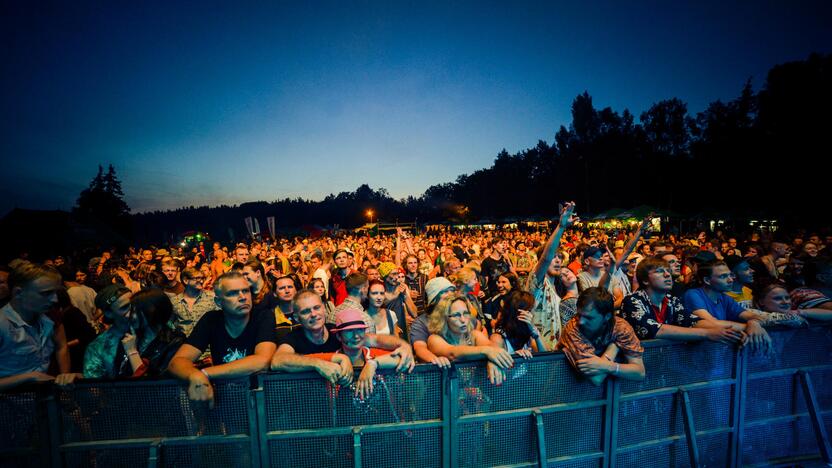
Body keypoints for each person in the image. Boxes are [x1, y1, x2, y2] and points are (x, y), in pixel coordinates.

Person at [168, 271, 277, 408]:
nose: (243, 297)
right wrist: (193, 375)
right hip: (226, 403)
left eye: (246, 291)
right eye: (232, 293)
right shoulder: (211, 320)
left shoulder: (263, 316)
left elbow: (262, 360)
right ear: (218, 302)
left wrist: (203, 374)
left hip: (261, 402)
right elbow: (176, 362)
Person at [271, 290, 414, 382]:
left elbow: (375, 339)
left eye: (317, 308)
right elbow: (277, 361)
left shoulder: (336, 332)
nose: (314, 314)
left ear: (324, 309)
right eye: (306, 311)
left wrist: (404, 346)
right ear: (296, 317)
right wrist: (318, 364)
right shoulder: (292, 338)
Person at [620, 257, 747, 344]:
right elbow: (655, 329)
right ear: (645, 280)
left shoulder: (672, 301)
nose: (667, 275)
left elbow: (694, 321)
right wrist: (707, 334)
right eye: (659, 272)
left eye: (668, 271)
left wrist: (747, 326)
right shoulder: (632, 301)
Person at [683, 261, 784, 354]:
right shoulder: (693, 294)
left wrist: (754, 322)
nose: (730, 280)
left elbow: (752, 316)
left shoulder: (725, 298)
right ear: (707, 280)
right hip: (695, 355)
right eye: (723, 276)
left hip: (714, 354)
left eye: (730, 275)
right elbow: (711, 323)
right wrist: (748, 327)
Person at [306, 308, 404, 399]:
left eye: (360, 330)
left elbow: (401, 358)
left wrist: (373, 363)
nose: (356, 335)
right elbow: (307, 359)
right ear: (339, 336)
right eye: (349, 331)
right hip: (342, 416)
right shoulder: (331, 359)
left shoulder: (373, 354)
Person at [556, 287, 645, 386]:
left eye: (589, 318)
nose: (581, 321)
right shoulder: (573, 329)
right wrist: (614, 347)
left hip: (606, 395)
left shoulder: (621, 327)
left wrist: (608, 366)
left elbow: (640, 372)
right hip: (565, 386)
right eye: (579, 315)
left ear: (607, 316)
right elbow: (597, 378)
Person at [427, 292, 515, 385]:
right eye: (456, 315)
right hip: (446, 396)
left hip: (474, 395)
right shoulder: (434, 339)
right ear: (444, 318)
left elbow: (492, 347)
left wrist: (492, 359)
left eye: (465, 313)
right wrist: (488, 352)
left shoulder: (474, 335)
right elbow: (452, 353)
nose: (463, 320)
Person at [0, 263, 63, 390]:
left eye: (56, 292)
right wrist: (30, 377)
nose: (55, 299)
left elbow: (61, 347)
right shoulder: (2, 325)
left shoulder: (46, 322)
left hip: (39, 404)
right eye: (46, 293)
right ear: (18, 293)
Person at [527, 201, 578, 349]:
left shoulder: (557, 288)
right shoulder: (537, 283)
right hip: (538, 351)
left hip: (554, 349)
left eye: (560, 257)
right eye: (554, 257)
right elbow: (545, 258)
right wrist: (561, 227)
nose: (557, 260)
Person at [81, 284, 152, 379]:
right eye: (125, 307)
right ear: (108, 313)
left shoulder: (152, 329)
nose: (134, 309)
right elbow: (95, 387)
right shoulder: (98, 347)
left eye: (135, 303)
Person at [119, 288, 186, 378]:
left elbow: (152, 384)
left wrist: (132, 352)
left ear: (151, 312)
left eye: (134, 311)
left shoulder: (175, 342)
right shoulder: (131, 337)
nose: (128, 315)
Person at [409, 277, 457, 367]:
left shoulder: (458, 315)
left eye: (452, 291)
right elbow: (419, 348)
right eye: (445, 292)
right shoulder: (421, 322)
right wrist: (436, 360)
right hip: (436, 371)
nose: (450, 294)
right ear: (433, 298)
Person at [490, 290, 546, 357]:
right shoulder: (497, 338)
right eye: (531, 311)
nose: (533, 315)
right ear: (521, 314)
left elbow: (546, 357)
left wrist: (535, 332)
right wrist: (514, 357)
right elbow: (494, 366)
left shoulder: (528, 336)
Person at [171, 267, 216, 337]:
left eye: (202, 278)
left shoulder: (212, 297)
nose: (201, 281)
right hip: (183, 345)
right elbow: (170, 324)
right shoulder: (175, 301)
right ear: (185, 280)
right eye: (197, 278)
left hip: (207, 345)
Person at [754, 283, 832, 322]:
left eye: (787, 298)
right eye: (777, 298)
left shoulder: (793, 315)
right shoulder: (756, 315)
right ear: (761, 302)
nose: (785, 302)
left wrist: (799, 312)